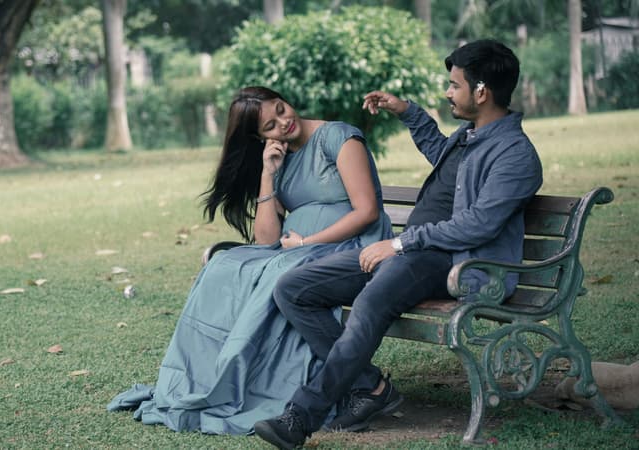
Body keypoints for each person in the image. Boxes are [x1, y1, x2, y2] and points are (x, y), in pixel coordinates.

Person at [254, 39, 544, 448]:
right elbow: (442, 157)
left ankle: (301, 416)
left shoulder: (515, 155)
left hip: (455, 262)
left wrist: (401, 244)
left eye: (454, 85)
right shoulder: (470, 137)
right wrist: (406, 111)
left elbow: (477, 226)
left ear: (481, 92)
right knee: (294, 288)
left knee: (372, 301)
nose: (448, 92)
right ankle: (372, 388)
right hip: (412, 253)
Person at [107, 86, 393, 434]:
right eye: (270, 126)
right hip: (295, 251)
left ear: (285, 98)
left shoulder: (338, 137)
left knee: (277, 273)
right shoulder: (280, 157)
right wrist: (268, 174)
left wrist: (307, 241)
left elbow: (366, 212)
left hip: (351, 248)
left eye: (281, 109)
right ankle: (220, 377)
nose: (283, 123)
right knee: (222, 267)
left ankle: (359, 384)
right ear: (260, 137)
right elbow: (267, 239)